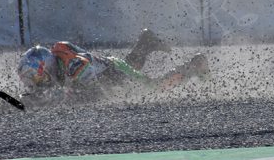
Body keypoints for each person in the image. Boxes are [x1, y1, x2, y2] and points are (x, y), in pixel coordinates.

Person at [16, 29, 209, 105]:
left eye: (35, 77)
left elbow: (95, 94)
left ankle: (194, 65)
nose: (35, 82)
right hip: (110, 68)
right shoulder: (58, 63)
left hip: (113, 73)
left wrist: (57, 100)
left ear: (45, 67)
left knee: (153, 88)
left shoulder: (74, 67)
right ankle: (145, 43)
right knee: (130, 68)